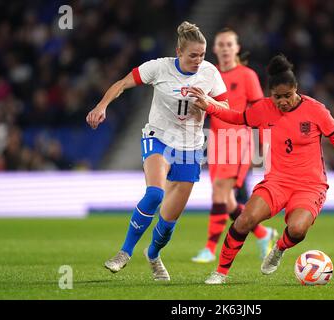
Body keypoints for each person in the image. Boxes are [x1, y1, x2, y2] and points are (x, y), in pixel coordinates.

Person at [188, 54, 334, 284]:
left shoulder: (316, 110)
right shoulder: (264, 109)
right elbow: (237, 117)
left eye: (287, 96)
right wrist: (209, 106)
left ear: (296, 89)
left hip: (310, 185)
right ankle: (220, 272)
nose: (282, 101)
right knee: (244, 220)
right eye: (277, 97)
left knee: (298, 229)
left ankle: (278, 249)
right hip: (276, 182)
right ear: (271, 94)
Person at [86, 21, 229, 281]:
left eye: (202, 55)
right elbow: (121, 84)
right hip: (158, 137)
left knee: (167, 222)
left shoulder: (210, 73)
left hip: (190, 147)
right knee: (154, 193)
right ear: (179, 52)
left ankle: (152, 254)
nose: (198, 60)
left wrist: (207, 103)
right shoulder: (158, 68)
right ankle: (124, 252)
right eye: (193, 55)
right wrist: (101, 106)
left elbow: (225, 105)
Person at [192, 28, 277, 264]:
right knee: (226, 198)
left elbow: (261, 111)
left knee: (220, 191)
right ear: (215, 49)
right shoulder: (208, 75)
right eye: (222, 44)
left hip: (238, 140)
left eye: (230, 44)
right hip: (216, 141)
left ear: (237, 48)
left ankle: (209, 248)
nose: (226, 48)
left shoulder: (247, 75)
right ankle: (263, 233)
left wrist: (266, 145)